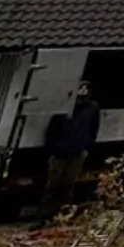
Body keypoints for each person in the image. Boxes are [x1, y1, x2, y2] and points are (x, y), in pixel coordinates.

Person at [41, 79, 101, 215]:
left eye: (86, 88)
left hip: (78, 151)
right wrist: (52, 151)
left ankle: (63, 214)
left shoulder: (91, 108)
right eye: (81, 88)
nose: (83, 91)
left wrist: (87, 146)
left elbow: (93, 128)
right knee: (52, 186)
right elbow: (52, 131)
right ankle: (46, 215)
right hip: (60, 152)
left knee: (68, 185)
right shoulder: (63, 107)